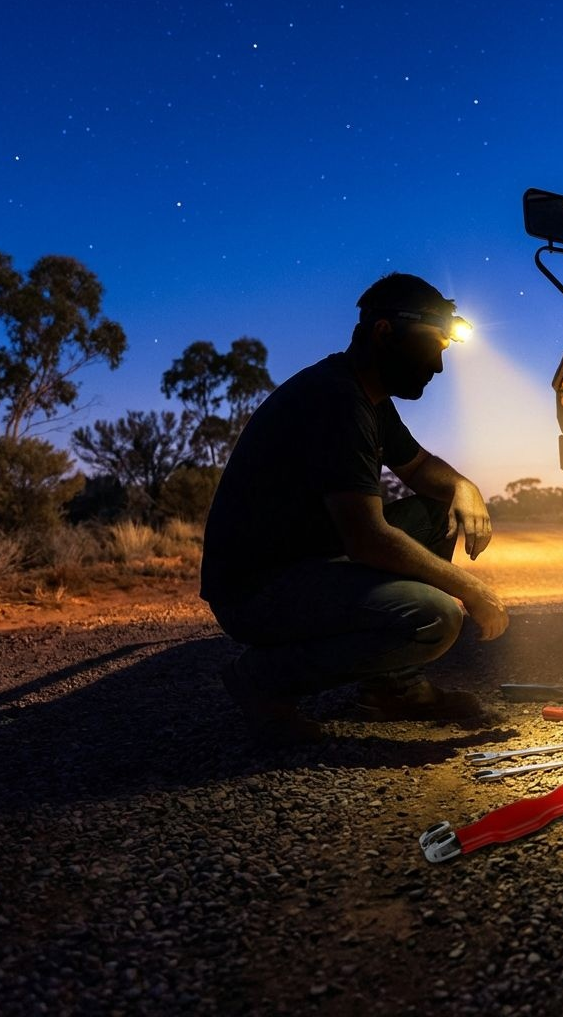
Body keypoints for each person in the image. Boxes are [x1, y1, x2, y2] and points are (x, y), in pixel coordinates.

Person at [200, 272, 510, 744]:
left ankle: (392, 690)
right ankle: (262, 678)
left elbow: (421, 466)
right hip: (257, 591)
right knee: (435, 616)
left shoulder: (368, 398)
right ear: (384, 333)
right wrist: (472, 590)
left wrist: (463, 487)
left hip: (309, 565)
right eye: (434, 348)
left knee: (438, 509)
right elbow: (366, 538)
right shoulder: (337, 400)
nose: (439, 368)